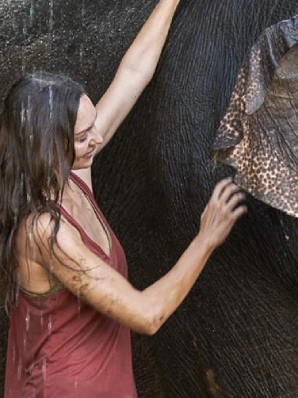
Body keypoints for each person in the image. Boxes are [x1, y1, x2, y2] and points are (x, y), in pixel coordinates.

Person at [0, 0, 246, 396]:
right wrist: (205, 239)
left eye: (93, 126)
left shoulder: (74, 173)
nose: (97, 140)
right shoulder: (44, 231)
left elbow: (132, 75)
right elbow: (147, 314)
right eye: (82, 137)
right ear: (46, 148)